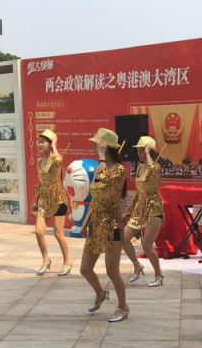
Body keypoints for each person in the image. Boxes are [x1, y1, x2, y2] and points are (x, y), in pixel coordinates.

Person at [80, 128, 129, 322]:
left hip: (112, 225)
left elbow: (103, 179)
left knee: (112, 271)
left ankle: (123, 307)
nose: (94, 148)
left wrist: (101, 158)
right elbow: (96, 197)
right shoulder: (99, 168)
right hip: (96, 224)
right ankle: (100, 293)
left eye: (97, 145)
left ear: (105, 147)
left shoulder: (118, 170)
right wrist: (85, 223)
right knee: (85, 268)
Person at [121, 135, 165, 287]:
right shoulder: (139, 167)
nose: (139, 153)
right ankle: (137, 266)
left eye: (142, 150)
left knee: (147, 246)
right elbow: (138, 192)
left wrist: (147, 153)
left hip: (153, 209)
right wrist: (129, 210)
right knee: (124, 238)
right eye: (139, 150)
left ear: (150, 151)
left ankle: (158, 274)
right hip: (139, 209)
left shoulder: (156, 167)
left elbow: (152, 170)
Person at [31, 129, 72, 276]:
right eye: (39, 142)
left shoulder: (55, 159)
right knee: (38, 231)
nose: (40, 144)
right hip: (44, 200)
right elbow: (40, 182)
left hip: (58, 199)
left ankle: (67, 262)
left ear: (50, 143)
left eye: (43, 142)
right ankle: (46, 260)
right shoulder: (39, 162)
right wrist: (36, 200)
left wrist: (54, 144)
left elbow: (58, 160)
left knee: (58, 233)